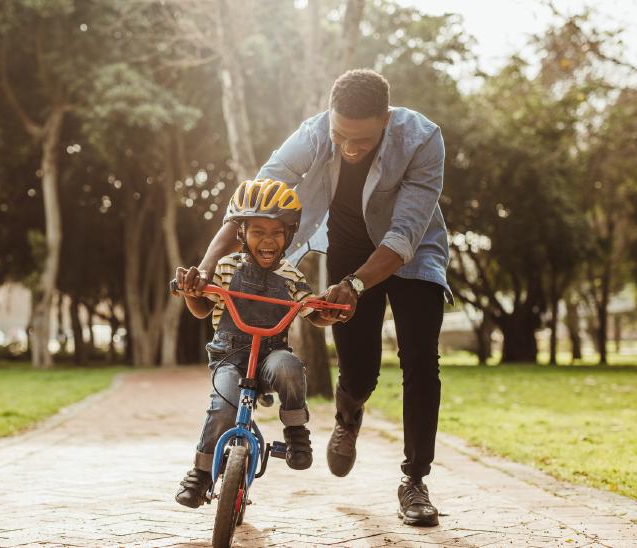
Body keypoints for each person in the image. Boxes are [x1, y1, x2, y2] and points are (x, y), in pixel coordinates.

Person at [181, 69, 451, 526]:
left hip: (413, 251)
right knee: (360, 370)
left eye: (362, 140)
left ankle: (415, 481)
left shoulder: (423, 140)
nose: (349, 148)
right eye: (341, 135)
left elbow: (404, 233)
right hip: (349, 247)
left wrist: (357, 286)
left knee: (421, 360)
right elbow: (252, 201)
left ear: (385, 119)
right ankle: (349, 416)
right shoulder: (313, 133)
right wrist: (206, 266)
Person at [174, 179, 337, 509]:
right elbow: (203, 307)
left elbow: (312, 312)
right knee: (223, 406)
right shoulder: (223, 268)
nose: (268, 240)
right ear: (241, 234)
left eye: (277, 232)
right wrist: (192, 293)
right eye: (258, 231)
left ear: (289, 235)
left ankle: (295, 432)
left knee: (289, 367)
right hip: (229, 357)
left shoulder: (291, 275)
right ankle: (201, 473)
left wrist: (329, 312)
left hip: (270, 356)